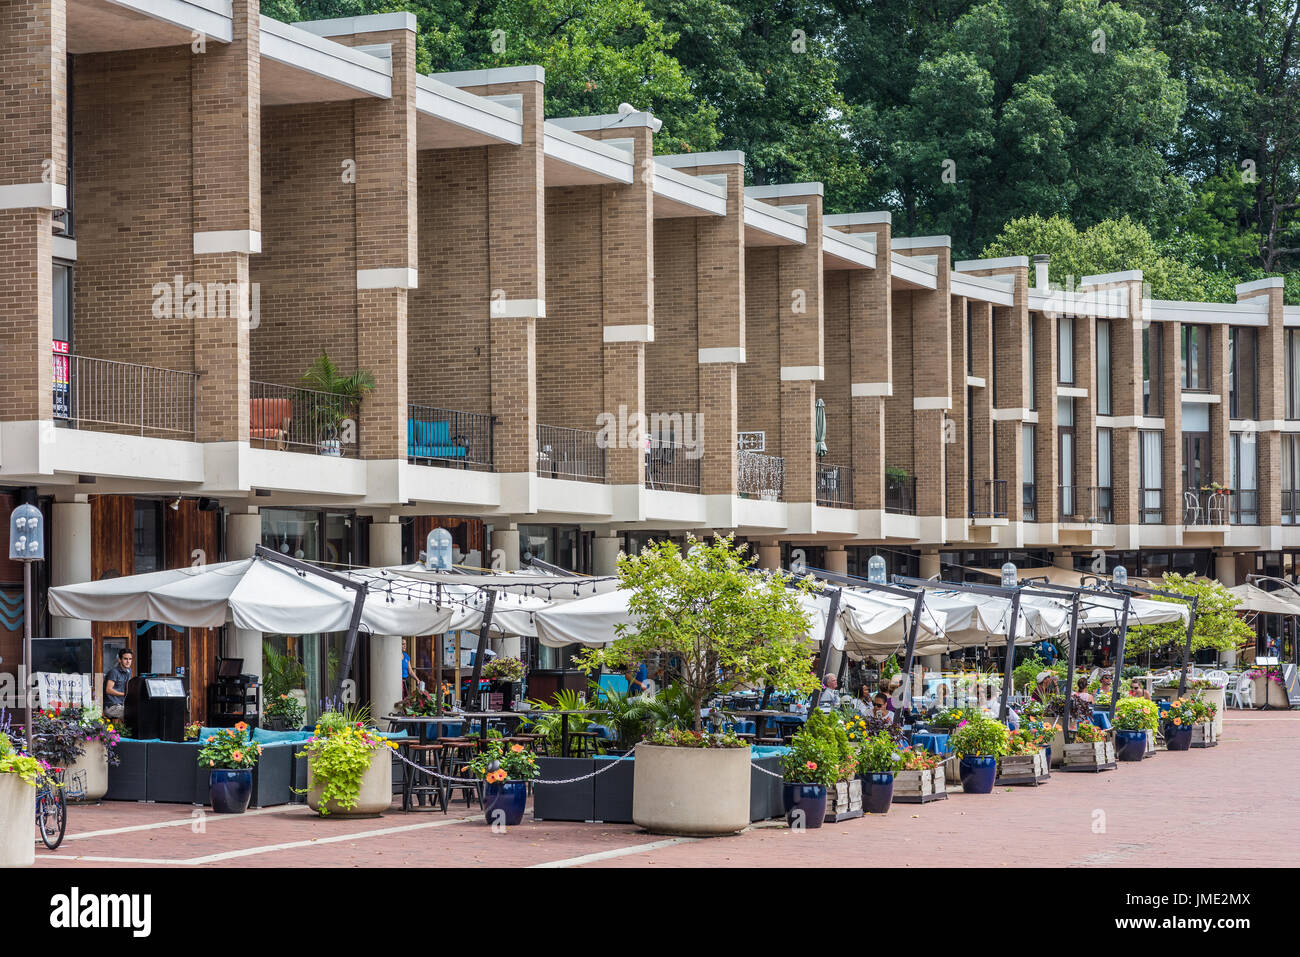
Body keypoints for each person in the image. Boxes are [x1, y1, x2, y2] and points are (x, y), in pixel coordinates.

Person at [104, 649, 133, 721]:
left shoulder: (128, 671)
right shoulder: (114, 672)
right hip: (111, 706)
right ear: (119, 660)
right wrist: (124, 694)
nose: (128, 661)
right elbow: (108, 690)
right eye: (125, 659)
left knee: (138, 710)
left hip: (122, 705)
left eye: (130, 659)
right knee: (132, 713)